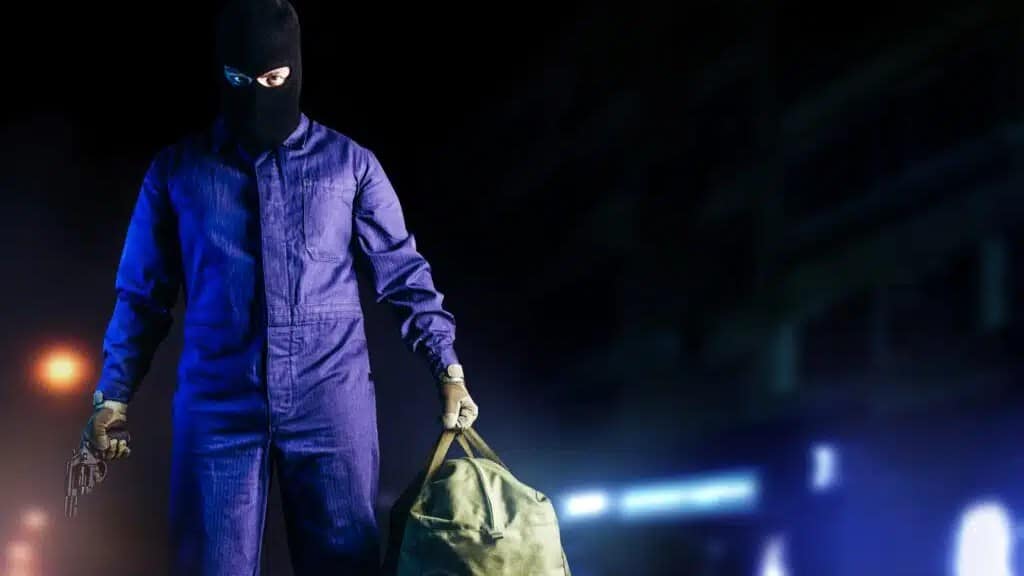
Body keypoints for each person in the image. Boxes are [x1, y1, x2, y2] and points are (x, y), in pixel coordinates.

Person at [80, 0, 478, 573]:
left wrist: (448, 369)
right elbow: (143, 296)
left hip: (330, 400)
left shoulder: (349, 165)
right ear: (222, 74)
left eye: (274, 79)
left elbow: (403, 274)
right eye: (241, 80)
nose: (258, 95)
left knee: (345, 566)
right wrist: (112, 395)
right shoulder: (176, 172)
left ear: (295, 70)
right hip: (217, 404)